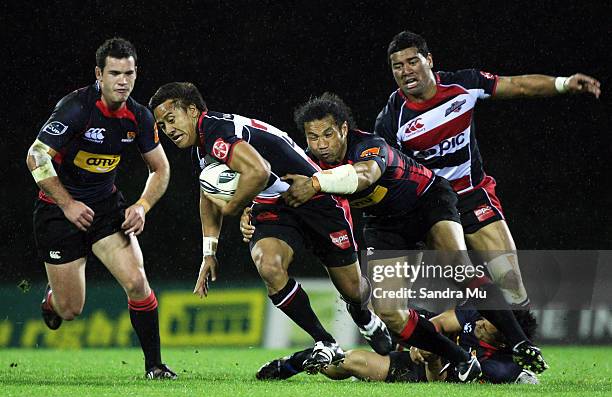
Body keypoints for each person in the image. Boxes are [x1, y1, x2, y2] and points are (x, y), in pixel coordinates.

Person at [241, 92, 546, 375]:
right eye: (312, 137)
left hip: (427, 201)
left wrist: (318, 184)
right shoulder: (306, 161)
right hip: (384, 223)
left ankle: (520, 343)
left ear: (344, 130)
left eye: (328, 135)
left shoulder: (370, 146)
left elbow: (364, 176)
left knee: (459, 267)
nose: (321, 145)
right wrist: (250, 214)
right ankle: (460, 359)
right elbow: (273, 188)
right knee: (391, 314)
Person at [148, 82, 392, 372]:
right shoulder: (200, 147)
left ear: (192, 110)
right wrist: (208, 252)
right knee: (268, 264)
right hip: (276, 206)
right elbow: (208, 194)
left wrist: (234, 207)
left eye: (171, 119)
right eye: (161, 125)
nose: (168, 129)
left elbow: (259, 171)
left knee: (354, 290)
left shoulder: (216, 131)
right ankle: (324, 341)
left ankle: (363, 316)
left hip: (314, 198)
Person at [375, 30, 601, 308]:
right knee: (459, 289)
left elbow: (517, 86)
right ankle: (465, 345)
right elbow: (390, 175)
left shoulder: (463, 85)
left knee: (510, 280)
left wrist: (563, 83)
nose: (406, 71)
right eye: (398, 66)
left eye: (412, 62)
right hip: (432, 207)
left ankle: (522, 346)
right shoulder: (390, 119)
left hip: (472, 195)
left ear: (429, 60)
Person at [26, 38, 175, 379]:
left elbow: (161, 169)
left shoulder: (138, 116)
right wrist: (67, 203)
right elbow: (35, 157)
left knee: (138, 282)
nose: (123, 80)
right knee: (70, 309)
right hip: (58, 212)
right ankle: (52, 301)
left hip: (106, 209)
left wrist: (142, 205)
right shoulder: (77, 108)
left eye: (129, 73)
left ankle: (155, 366)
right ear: (99, 74)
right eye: (114, 73)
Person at [256, 307, 540, 385]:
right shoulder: (476, 317)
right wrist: (424, 340)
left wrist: (430, 357)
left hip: (429, 374)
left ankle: (295, 362)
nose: (481, 321)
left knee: (353, 362)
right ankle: (301, 360)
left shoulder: (498, 367)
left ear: (504, 338)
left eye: (490, 323)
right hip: (420, 353)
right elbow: (440, 323)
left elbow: (438, 383)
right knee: (339, 365)